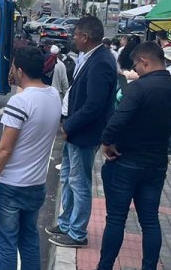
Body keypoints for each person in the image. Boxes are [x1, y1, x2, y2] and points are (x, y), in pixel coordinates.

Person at [95, 41, 171, 270]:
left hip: (126, 160)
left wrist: (107, 143)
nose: (135, 69)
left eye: (136, 64)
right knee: (150, 221)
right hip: (157, 164)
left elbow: (117, 122)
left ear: (145, 61)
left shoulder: (139, 88)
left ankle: (105, 266)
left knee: (116, 219)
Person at [0, 45, 61, 270]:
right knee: (29, 240)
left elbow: (4, 149)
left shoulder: (20, 102)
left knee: (7, 244)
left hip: (11, 186)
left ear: (20, 70)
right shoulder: (53, 95)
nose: (11, 70)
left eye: (12, 66)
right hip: (36, 185)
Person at [47, 15, 116, 249]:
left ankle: (77, 232)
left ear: (85, 37)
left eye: (75, 35)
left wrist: (69, 125)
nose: (73, 39)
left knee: (79, 182)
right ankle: (65, 223)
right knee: (67, 178)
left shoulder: (102, 62)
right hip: (76, 131)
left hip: (85, 134)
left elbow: (94, 105)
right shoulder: (90, 57)